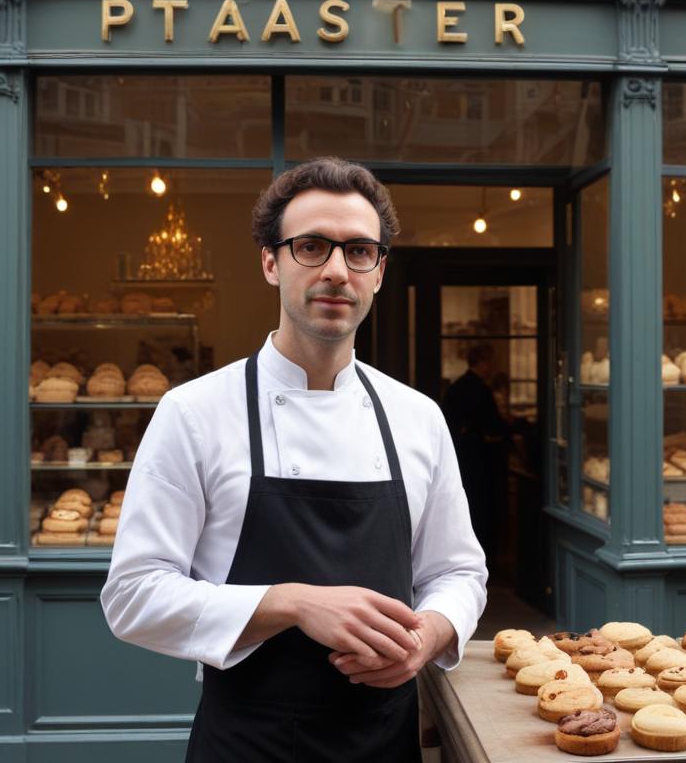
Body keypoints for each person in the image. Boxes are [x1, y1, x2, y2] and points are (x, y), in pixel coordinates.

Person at [101, 157, 488, 762]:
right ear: (270, 261)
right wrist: (292, 602)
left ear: (380, 271)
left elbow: (458, 574)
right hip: (246, 744)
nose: (337, 270)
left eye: (359, 251)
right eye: (311, 246)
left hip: (383, 743)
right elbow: (132, 596)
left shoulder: (418, 417)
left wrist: (428, 636)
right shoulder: (194, 412)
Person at [441, 343, 510, 563]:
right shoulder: (479, 389)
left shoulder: (458, 386)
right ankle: (483, 555)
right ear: (483, 362)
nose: (492, 366)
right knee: (481, 507)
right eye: (490, 361)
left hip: (461, 455)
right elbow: (492, 425)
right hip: (479, 458)